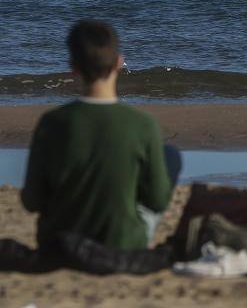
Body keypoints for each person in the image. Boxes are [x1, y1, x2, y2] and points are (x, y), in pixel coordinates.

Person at [21, 20, 181, 252]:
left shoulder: (52, 123)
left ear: (73, 67)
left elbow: (31, 201)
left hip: (59, 242)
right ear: (119, 62)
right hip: (123, 243)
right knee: (171, 156)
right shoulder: (143, 125)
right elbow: (158, 201)